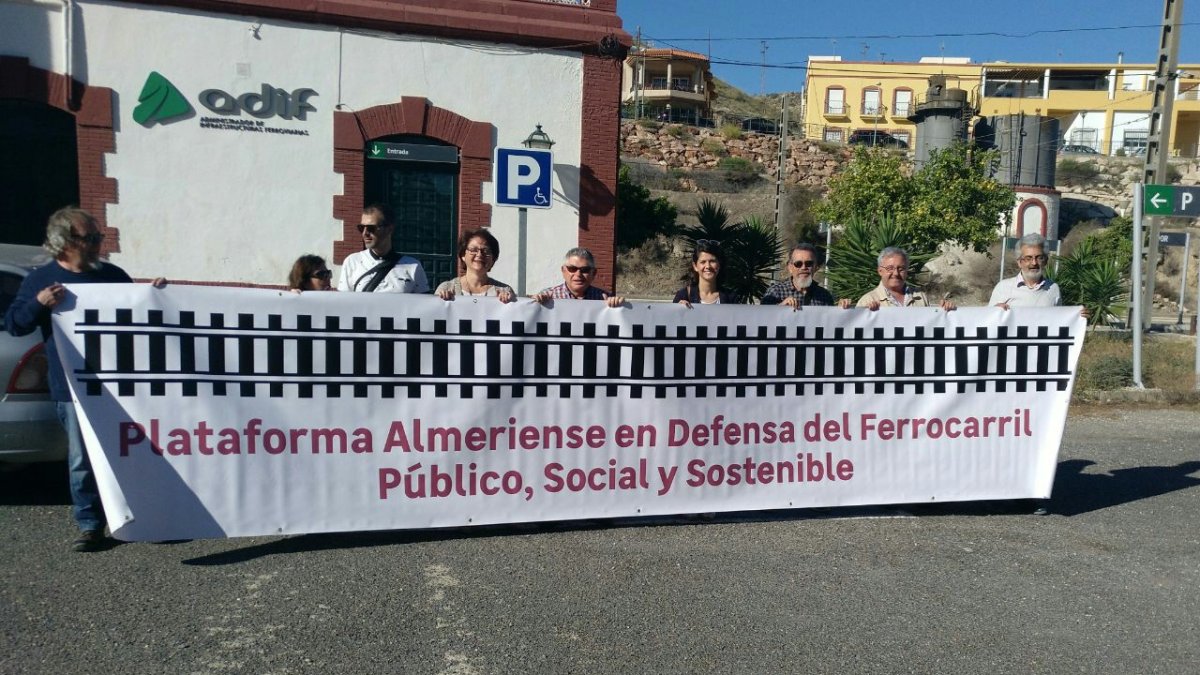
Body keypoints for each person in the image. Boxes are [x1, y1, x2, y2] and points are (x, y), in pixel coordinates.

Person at [4, 207, 166, 552]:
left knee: (129, 452)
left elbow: (137, 312)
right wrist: (39, 303)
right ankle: (91, 524)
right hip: (72, 389)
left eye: (98, 237)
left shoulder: (112, 275)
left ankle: (141, 518)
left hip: (119, 386)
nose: (96, 245)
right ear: (63, 242)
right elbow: (16, 323)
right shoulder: (40, 280)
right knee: (82, 460)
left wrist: (154, 294)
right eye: (88, 238)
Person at [337, 203, 430, 293]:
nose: (364, 233)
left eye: (371, 228)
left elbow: (424, 305)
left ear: (389, 229)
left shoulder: (413, 266)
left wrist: (442, 292)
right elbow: (343, 303)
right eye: (361, 228)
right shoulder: (352, 262)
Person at [857, 247, 956, 311]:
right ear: (880, 271)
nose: (896, 273)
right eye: (890, 268)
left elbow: (932, 325)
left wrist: (946, 312)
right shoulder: (867, 301)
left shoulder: (920, 296)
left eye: (901, 269)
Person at [761, 243, 851, 309]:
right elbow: (762, 319)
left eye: (809, 263)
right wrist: (780, 307)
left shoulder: (824, 296)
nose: (804, 267)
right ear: (790, 267)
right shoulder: (776, 292)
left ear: (816, 267)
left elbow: (831, 325)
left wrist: (840, 312)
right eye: (798, 264)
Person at [434, 229, 515, 302]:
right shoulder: (446, 288)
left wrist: (511, 305)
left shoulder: (505, 290)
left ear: (493, 258)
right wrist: (441, 302)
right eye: (473, 250)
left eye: (486, 251)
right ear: (463, 255)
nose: (479, 254)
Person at [531, 247, 625, 308]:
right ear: (563, 271)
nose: (578, 274)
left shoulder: (604, 299)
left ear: (594, 273)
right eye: (572, 268)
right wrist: (533, 303)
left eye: (585, 270)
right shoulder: (548, 296)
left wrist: (619, 306)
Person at [989, 233, 1062, 309]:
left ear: (1046, 261)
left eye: (1039, 257)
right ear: (1019, 262)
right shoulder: (1003, 287)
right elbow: (988, 318)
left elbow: (1058, 319)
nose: (1034, 263)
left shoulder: (1053, 288)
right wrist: (995, 310)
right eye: (1028, 258)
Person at [672, 240, 741, 307]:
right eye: (703, 262)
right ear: (695, 266)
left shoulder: (731, 297)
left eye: (712, 261)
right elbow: (671, 317)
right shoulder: (683, 295)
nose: (708, 266)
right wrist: (678, 310)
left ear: (719, 265)